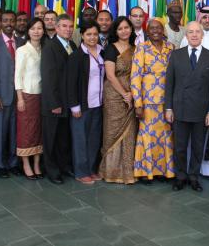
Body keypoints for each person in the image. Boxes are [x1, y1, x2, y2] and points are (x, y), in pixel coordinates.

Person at [165, 21, 209, 192]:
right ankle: (181, 176)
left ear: (202, 35)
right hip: (179, 109)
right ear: (186, 35)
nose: (194, 35)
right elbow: (169, 84)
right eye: (191, 32)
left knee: (197, 147)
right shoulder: (176, 55)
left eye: (198, 32)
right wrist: (168, 108)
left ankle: (194, 177)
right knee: (180, 147)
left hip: (201, 111)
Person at [131, 18, 175, 182]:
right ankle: (146, 172)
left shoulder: (171, 47)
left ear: (163, 30)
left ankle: (165, 171)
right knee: (148, 136)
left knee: (166, 135)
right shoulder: (141, 48)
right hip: (148, 101)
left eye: (159, 28)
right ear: (147, 31)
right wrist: (138, 103)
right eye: (152, 28)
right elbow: (135, 77)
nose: (156, 30)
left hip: (167, 100)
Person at [99, 16, 137, 184]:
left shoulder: (135, 48)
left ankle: (127, 172)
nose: (124, 31)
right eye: (120, 28)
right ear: (116, 31)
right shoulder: (111, 49)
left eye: (126, 28)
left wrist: (132, 94)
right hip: (115, 95)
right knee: (112, 132)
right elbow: (110, 76)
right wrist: (124, 94)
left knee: (129, 133)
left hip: (132, 94)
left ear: (131, 29)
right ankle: (110, 172)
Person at [67, 21, 105, 185]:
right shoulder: (76, 56)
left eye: (95, 34)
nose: (92, 37)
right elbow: (70, 82)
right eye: (88, 34)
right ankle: (81, 171)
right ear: (82, 35)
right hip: (82, 104)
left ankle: (91, 169)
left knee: (94, 138)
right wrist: (74, 105)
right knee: (80, 139)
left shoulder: (102, 51)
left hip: (98, 103)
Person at [0, 10, 23, 178]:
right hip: (0, 96)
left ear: (15, 23)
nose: (9, 23)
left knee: (16, 132)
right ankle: (0, 164)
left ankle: (14, 163)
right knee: (0, 132)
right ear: (0, 22)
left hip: (19, 97)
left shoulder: (22, 42)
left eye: (12, 21)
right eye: (5, 20)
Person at [40, 14, 76, 184]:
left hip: (68, 102)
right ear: (56, 28)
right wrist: (54, 103)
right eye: (64, 26)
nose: (68, 29)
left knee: (63, 138)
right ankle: (52, 171)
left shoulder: (73, 45)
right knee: (51, 139)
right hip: (54, 103)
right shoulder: (50, 47)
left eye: (70, 26)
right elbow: (48, 77)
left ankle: (63, 167)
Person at [15, 17, 46, 180]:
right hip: (26, 95)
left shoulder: (44, 48)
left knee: (38, 131)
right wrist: (19, 98)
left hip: (42, 96)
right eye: (33, 28)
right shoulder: (22, 50)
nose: (36, 31)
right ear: (28, 31)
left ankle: (37, 164)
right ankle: (26, 164)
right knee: (26, 131)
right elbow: (17, 76)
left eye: (39, 28)